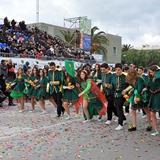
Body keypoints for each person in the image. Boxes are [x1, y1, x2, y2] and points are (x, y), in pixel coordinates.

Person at [111, 63, 130, 131]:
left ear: (122, 70)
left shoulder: (126, 76)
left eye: (119, 70)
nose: (117, 71)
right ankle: (123, 118)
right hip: (115, 94)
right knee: (116, 106)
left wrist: (126, 90)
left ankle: (120, 124)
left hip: (123, 94)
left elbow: (131, 85)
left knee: (119, 106)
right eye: (116, 70)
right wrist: (108, 86)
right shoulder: (113, 76)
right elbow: (112, 85)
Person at [147, 65, 160, 136]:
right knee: (152, 113)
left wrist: (158, 70)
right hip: (153, 96)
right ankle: (156, 130)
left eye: (152, 72)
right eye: (150, 72)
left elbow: (158, 76)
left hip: (159, 96)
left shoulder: (158, 76)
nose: (151, 73)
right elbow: (148, 86)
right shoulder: (150, 78)